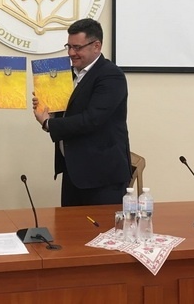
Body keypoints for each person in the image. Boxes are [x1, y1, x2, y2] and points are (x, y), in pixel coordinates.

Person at [33, 18, 132, 207]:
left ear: (96, 46)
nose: (71, 53)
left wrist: (49, 124)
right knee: (69, 226)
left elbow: (92, 119)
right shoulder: (66, 74)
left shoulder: (111, 76)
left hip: (102, 177)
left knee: (101, 227)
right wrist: (48, 109)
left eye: (77, 47)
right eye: (69, 46)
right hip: (73, 173)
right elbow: (69, 112)